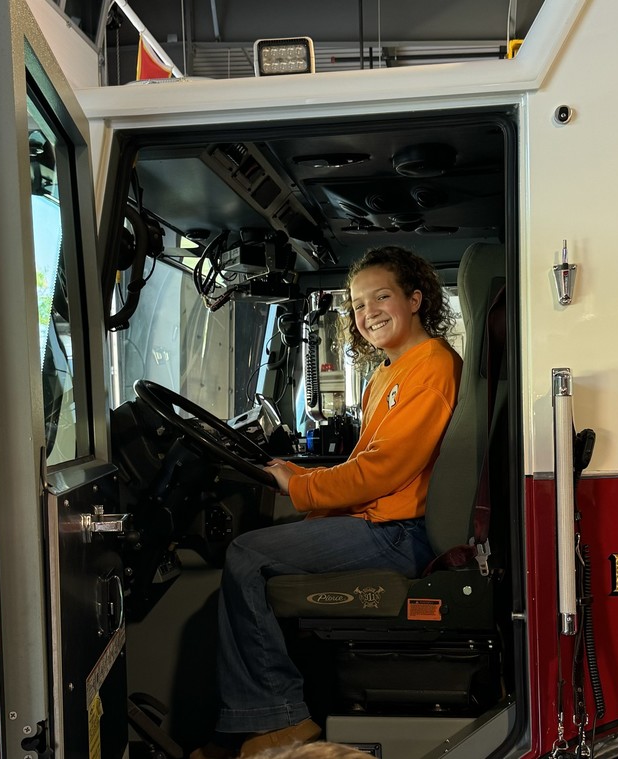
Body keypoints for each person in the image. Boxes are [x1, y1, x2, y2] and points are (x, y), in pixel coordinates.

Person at [191, 246, 462, 759]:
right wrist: (298, 477)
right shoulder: (392, 370)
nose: (368, 313)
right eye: (358, 304)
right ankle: (248, 725)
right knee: (258, 551)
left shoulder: (431, 370)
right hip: (383, 521)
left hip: (398, 534)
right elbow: (369, 461)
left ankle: (280, 720)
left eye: (382, 296)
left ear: (415, 299)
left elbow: (383, 471)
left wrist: (300, 489)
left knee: (246, 555)